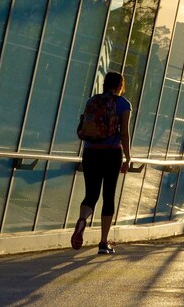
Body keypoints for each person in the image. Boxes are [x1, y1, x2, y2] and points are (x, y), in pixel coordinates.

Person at [71, 72, 132, 254]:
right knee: (108, 196)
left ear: (105, 84)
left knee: (91, 194)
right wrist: (128, 158)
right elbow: (124, 133)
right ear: (120, 86)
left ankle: (82, 219)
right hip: (112, 153)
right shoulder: (123, 104)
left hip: (91, 152)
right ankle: (103, 242)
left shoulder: (92, 101)